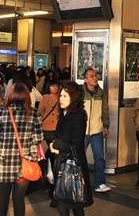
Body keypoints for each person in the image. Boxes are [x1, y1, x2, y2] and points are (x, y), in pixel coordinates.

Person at [0, 82, 43, 216]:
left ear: (10, 96)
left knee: (3, 196)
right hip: (25, 162)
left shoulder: (2, 111)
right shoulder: (34, 113)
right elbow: (38, 138)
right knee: (19, 199)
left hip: (4, 162)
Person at [51, 82, 93, 216]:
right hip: (63, 164)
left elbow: (76, 144)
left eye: (65, 96)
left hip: (73, 166)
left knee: (68, 204)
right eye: (60, 96)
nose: (61, 99)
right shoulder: (65, 113)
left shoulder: (78, 115)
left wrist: (57, 145)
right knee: (74, 204)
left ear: (73, 97)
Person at [83, 68, 111, 193]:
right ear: (85, 79)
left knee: (99, 157)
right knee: (78, 157)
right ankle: (79, 182)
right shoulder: (80, 91)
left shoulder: (101, 92)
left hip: (96, 130)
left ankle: (100, 183)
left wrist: (105, 126)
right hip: (82, 131)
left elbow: (105, 109)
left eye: (95, 76)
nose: (94, 78)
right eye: (91, 76)